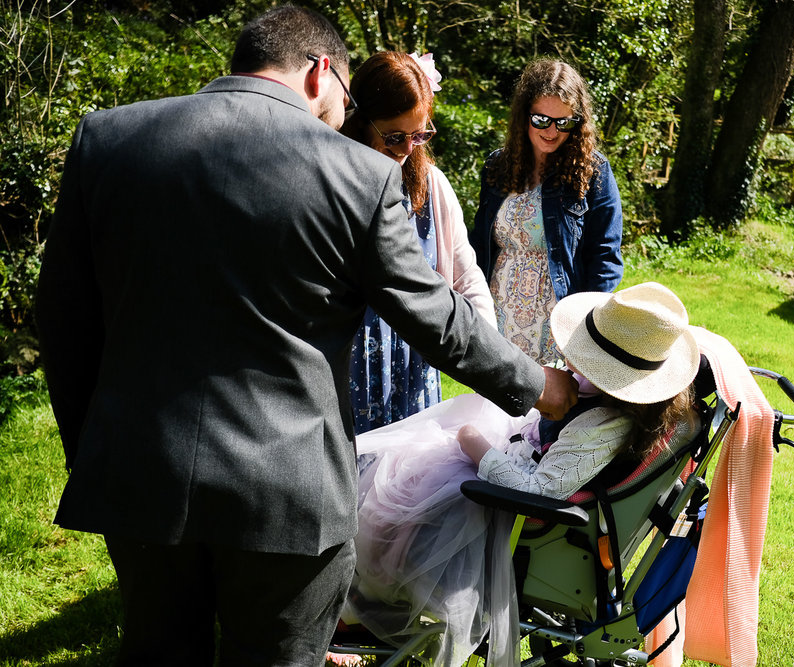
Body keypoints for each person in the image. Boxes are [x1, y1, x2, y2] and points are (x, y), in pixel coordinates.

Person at [34, 6, 576, 666]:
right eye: (346, 96)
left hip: (141, 480)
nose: (341, 115)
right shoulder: (359, 175)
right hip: (288, 495)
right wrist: (541, 386)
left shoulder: (109, 141)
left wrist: (95, 450)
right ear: (323, 71)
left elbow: (62, 322)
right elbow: (438, 318)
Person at [342, 282, 701, 666]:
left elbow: (539, 490)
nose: (569, 359)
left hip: (508, 511)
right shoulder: (609, 401)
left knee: (397, 504)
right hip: (510, 464)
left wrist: (473, 444)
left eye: (584, 355)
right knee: (399, 477)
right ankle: (362, 603)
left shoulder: (602, 427)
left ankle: (363, 610)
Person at [339, 51, 496, 433]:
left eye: (420, 134)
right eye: (394, 136)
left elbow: (466, 278)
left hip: (412, 372)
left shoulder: (432, 185)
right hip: (348, 367)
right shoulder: (336, 182)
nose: (408, 148)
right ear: (361, 122)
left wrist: (490, 355)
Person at [470, 58, 624, 365]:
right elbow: (478, 246)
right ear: (523, 116)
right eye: (541, 120)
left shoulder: (594, 172)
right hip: (497, 316)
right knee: (492, 410)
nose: (552, 132)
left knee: (553, 410)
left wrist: (585, 329)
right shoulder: (497, 166)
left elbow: (605, 258)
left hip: (559, 324)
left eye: (563, 122)